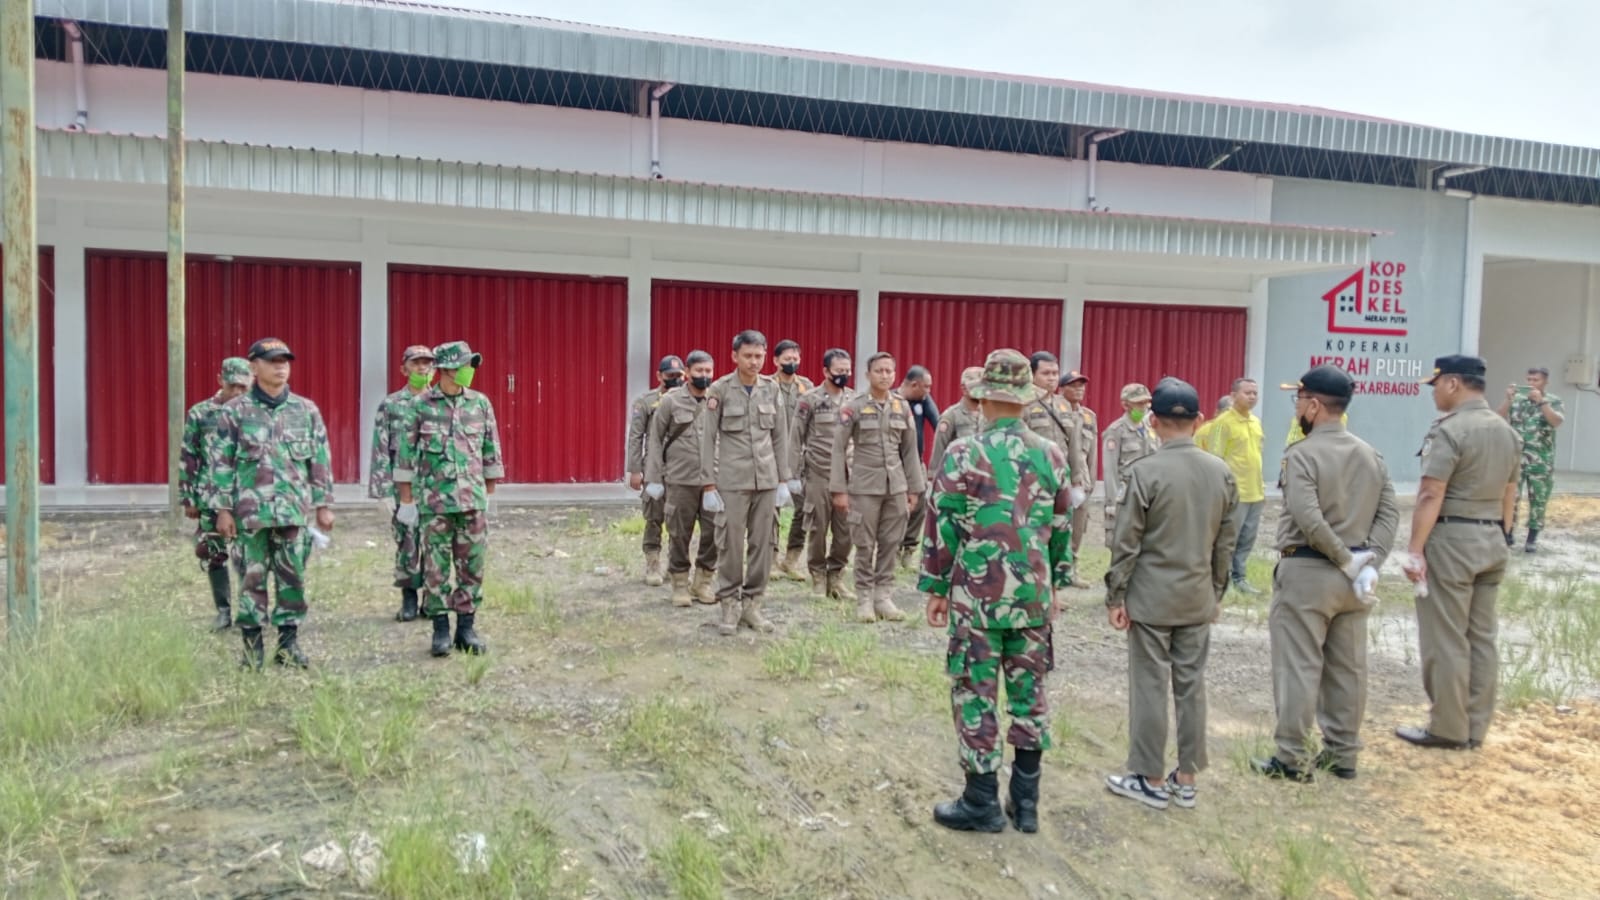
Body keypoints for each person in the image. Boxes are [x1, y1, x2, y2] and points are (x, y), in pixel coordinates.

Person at [921, 349, 1072, 835]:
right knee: (1030, 695)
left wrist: (937, 587)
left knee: (975, 694)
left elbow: (942, 524)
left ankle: (981, 801)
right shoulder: (1051, 453)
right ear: (1027, 400)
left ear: (984, 399)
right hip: (1032, 595)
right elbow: (1062, 526)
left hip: (978, 598)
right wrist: (1056, 582)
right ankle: (1026, 806)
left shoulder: (964, 453)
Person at [1251, 366, 1398, 783]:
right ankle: (1342, 754)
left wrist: (1345, 558)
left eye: (1299, 400)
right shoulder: (1371, 454)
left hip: (1309, 572)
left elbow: (1307, 515)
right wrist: (1368, 563)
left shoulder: (1302, 454)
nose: (1297, 408)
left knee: (1299, 666)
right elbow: (1388, 513)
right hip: (1353, 581)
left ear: (1314, 406)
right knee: (1348, 668)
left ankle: (1292, 757)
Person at [1103, 378, 1241, 811]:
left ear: (1153, 422)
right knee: (1191, 685)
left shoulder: (1145, 472)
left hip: (1150, 599)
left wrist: (1116, 596)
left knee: (1150, 684)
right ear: (1199, 420)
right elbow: (1226, 543)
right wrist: (1215, 592)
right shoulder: (1221, 472)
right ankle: (1187, 779)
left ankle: (1150, 778)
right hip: (1197, 596)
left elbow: (1126, 541)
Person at [1397, 355, 1521, 751]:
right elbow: (1510, 492)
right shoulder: (1506, 432)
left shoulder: (1450, 430)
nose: (1433, 392)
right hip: (1492, 537)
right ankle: (1475, 728)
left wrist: (1415, 550)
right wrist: (1503, 534)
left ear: (1452, 383)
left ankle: (1448, 728)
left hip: (1453, 539)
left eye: (1435, 384)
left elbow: (1431, 492)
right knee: (1482, 637)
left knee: (1445, 636)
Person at [207, 338, 335, 670]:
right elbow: (221, 463)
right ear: (254, 366)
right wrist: (222, 510)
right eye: (272, 361)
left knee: (293, 578)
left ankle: (288, 646)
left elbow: (319, 460)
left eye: (284, 361)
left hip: (292, 512)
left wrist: (323, 504)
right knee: (252, 579)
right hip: (250, 515)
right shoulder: (235, 412)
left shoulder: (305, 410)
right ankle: (252, 649)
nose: (280, 367)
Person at [395, 340, 505, 658]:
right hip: (435, 504)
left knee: (472, 567)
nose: (470, 371)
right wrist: (406, 502)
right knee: (436, 569)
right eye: (465, 365)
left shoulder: (480, 404)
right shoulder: (420, 406)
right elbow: (405, 457)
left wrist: (489, 494)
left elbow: (490, 452)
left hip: (472, 502)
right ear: (447, 369)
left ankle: (466, 629)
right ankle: (440, 629)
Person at [700, 330, 794, 636]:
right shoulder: (720, 389)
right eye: (748, 356)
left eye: (759, 356)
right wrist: (708, 484)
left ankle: (753, 603)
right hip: (732, 481)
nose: (754, 362)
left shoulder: (772, 389)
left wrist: (783, 479)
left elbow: (780, 436)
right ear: (735, 356)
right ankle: (729, 602)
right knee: (730, 544)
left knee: (763, 544)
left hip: (766, 480)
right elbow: (707, 438)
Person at [832, 352, 924, 623]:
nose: (884, 376)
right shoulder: (854, 406)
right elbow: (838, 449)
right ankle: (864, 598)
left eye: (889, 371)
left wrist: (914, 489)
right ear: (868, 375)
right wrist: (839, 489)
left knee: (890, 543)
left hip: (895, 487)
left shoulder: (901, 406)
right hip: (864, 487)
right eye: (879, 371)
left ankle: (883, 597)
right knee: (864, 544)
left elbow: (910, 450)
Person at [181, 356, 252, 632]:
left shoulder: (254, 413)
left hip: (246, 496)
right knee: (213, 552)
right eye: (232, 385)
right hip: (209, 495)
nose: (237, 392)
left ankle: (249, 610)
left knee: (248, 555)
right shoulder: (200, 413)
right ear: (220, 380)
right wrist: (188, 498)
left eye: (243, 387)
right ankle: (223, 611)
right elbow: (189, 456)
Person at [645, 350, 720, 607]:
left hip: (714, 481)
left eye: (708, 371)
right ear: (687, 372)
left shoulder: (718, 399)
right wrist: (654, 478)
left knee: (714, 532)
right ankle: (679, 584)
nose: (704, 376)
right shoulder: (670, 401)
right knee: (679, 533)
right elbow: (655, 440)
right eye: (699, 371)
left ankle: (703, 582)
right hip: (680, 480)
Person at [368, 344, 436, 623]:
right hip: (403, 487)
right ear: (404, 369)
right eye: (416, 363)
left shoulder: (440, 402)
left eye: (427, 363)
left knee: (435, 543)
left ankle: (432, 600)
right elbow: (381, 447)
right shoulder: (391, 405)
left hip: (435, 486)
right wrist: (382, 492)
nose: (422, 368)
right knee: (407, 543)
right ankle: (409, 598)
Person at [790, 348, 856, 600]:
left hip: (848, 475)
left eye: (847, 370)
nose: (843, 375)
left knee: (846, 530)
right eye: (839, 370)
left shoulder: (854, 399)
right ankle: (818, 575)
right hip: (819, 472)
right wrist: (791, 475)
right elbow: (795, 437)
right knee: (817, 527)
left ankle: (836, 576)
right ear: (826, 371)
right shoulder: (810, 399)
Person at [626, 356, 685, 588]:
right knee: (653, 517)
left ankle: (675, 565)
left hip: (680, 468)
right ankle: (652, 563)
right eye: (670, 376)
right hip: (653, 468)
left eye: (679, 376)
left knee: (679, 519)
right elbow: (636, 437)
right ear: (659, 376)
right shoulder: (646, 402)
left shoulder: (689, 399)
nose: (675, 380)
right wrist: (635, 470)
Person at [1204, 378, 1266, 594]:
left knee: (1247, 538)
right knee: (1228, 539)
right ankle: (1222, 579)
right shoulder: (1222, 423)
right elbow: (1214, 458)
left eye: (1255, 393)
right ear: (1233, 396)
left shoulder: (1255, 422)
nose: (1252, 397)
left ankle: (1240, 577)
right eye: (1247, 393)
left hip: (1254, 491)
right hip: (1234, 492)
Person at [1498, 365, 1565, 553]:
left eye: (1536, 380)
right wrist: (1508, 399)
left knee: (1539, 499)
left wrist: (1542, 403)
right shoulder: (1517, 400)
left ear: (1545, 382)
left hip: (1541, 460)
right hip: (1516, 458)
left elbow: (1556, 421)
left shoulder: (1554, 401)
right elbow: (1498, 417)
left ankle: (1532, 538)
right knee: (1511, 497)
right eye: (1529, 380)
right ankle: (1508, 533)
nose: (1531, 383)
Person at [772, 340, 816, 581]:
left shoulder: (806, 387)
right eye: (787, 359)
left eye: (795, 359)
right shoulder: (768, 386)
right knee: (771, 509)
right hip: (772, 456)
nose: (792, 363)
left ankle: (792, 558)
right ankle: (770, 558)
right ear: (776, 361)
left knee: (805, 507)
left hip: (799, 457)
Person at [1100, 384, 1159, 547]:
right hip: (1126, 496)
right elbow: (1110, 470)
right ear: (1126, 405)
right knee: (1122, 544)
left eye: (1146, 403)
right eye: (1139, 403)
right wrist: (1112, 503)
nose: (1144, 407)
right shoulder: (1116, 431)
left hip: (1148, 496)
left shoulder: (1151, 430)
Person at [1057, 369, 1097, 587]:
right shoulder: (1055, 411)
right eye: (1073, 385)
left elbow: (1092, 454)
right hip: (1060, 478)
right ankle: (1056, 570)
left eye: (1081, 385)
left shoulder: (1089, 416)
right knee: (1058, 525)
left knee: (1079, 527)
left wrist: (1090, 481)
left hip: (1082, 482)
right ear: (1062, 389)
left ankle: (1072, 570)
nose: (1079, 389)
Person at [897, 364, 939, 569]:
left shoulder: (923, 400)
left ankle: (909, 548)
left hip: (917, 460)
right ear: (914, 385)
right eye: (926, 387)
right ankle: (892, 549)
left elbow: (938, 423)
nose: (929, 391)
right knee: (896, 506)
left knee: (920, 502)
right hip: (895, 461)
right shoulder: (893, 401)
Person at [929, 367, 986, 476]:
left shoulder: (989, 416)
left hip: (984, 480)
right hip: (958, 478)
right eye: (976, 386)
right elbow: (938, 453)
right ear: (964, 388)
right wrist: (933, 477)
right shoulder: (951, 416)